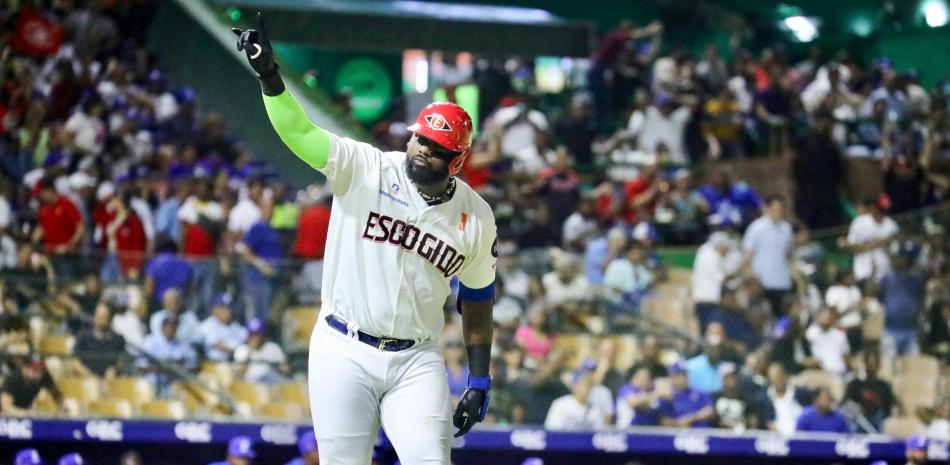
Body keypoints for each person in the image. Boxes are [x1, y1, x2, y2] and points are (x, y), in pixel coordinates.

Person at [235, 14, 497, 465]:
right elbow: (301, 133)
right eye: (420, 139)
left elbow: (477, 298)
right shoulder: (366, 166)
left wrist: (479, 378)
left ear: (456, 162)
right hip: (344, 347)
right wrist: (269, 76)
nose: (421, 150)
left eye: (435, 148)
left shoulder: (476, 216)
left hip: (416, 359)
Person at [742, 197, 794, 316]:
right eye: (775, 210)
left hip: (782, 281)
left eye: (780, 210)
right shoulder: (756, 228)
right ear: (767, 209)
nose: (778, 213)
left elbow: (788, 254)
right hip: (762, 282)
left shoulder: (786, 229)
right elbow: (748, 254)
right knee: (764, 315)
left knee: (783, 316)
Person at [543, 360, 613, 430]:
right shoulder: (561, 404)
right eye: (582, 385)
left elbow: (599, 431)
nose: (586, 389)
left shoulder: (594, 407)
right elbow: (552, 430)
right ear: (574, 386)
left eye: (589, 385)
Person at [692, 232, 733, 334]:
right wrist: (737, 274)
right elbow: (722, 278)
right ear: (719, 245)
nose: (727, 251)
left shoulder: (705, 252)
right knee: (713, 331)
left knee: (705, 331)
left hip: (702, 301)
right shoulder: (709, 256)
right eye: (725, 247)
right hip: (708, 301)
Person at [844, 351, 895, 431]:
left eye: (874, 363)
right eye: (869, 362)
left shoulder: (884, 385)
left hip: (878, 420)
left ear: (878, 365)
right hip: (859, 419)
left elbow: (890, 407)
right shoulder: (855, 384)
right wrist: (854, 408)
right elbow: (845, 402)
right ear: (864, 363)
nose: (871, 366)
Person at [73, 303, 127, 378]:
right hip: (87, 381)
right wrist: (92, 378)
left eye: (103, 317)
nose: (99, 320)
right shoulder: (83, 336)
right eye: (97, 315)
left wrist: (114, 369)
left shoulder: (118, 339)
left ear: (110, 320)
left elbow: (121, 361)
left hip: (110, 382)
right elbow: (75, 362)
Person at [659, 361, 715, 428]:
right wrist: (678, 423)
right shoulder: (668, 396)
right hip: (677, 434)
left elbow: (710, 411)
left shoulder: (699, 393)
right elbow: (663, 421)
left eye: (684, 375)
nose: (682, 378)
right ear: (672, 377)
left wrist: (690, 419)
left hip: (701, 434)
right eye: (678, 375)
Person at [234, 318, 290, 384]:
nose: (254, 338)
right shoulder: (241, 349)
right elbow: (239, 374)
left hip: (271, 381)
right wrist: (250, 352)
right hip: (250, 383)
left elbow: (286, 369)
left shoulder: (273, 348)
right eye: (252, 335)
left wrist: (281, 368)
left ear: (263, 335)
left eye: (257, 334)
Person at [200, 294, 248, 362]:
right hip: (212, 363)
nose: (226, 310)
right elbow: (218, 345)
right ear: (213, 309)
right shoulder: (207, 325)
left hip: (235, 363)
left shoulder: (237, 327)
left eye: (228, 307)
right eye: (222, 307)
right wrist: (237, 350)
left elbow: (247, 343)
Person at [804, 309, 851, 376]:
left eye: (827, 317)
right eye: (823, 316)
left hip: (840, 370)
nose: (825, 319)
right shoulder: (811, 333)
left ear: (832, 319)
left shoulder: (839, 335)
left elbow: (846, 356)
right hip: (821, 372)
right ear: (818, 317)